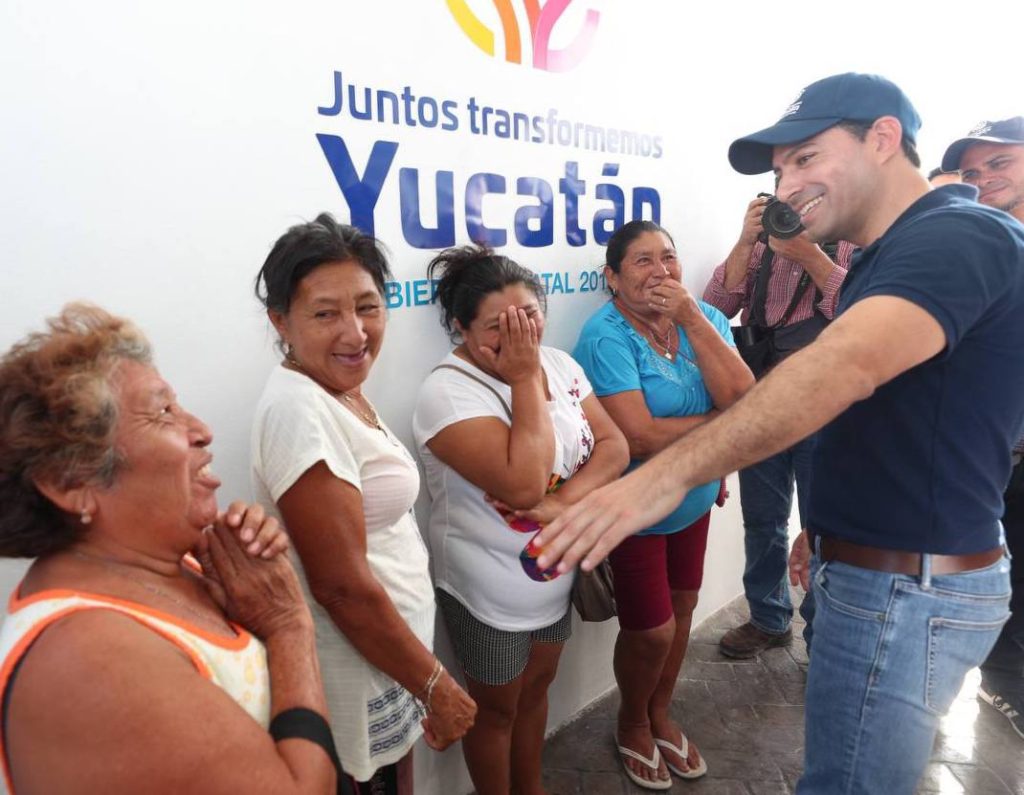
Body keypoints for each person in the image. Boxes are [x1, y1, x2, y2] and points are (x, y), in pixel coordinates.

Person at [532, 73, 1024, 794]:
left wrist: (653, 479)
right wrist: (822, 524)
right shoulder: (891, 251)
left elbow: (843, 367)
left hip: (906, 588)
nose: (787, 186)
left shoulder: (958, 233)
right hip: (875, 566)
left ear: (883, 139)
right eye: (780, 169)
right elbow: (889, 412)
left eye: (806, 158)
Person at [0, 303, 342, 795]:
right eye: (163, 412)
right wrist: (288, 626)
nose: (201, 429)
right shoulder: (90, 655)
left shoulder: (172, 560)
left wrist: (256, 592)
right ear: (70, 482)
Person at [250, 214, 476, 794]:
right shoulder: (299, 410)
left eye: (368, 306)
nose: (355, 333)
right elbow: (340, 586)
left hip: (389, 662)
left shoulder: (336, 387)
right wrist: (436, 686)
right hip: (356, 671)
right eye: (325, 313)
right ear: (281, 321)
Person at [412, 245, 628, 795]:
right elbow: (523, 483)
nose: (518, 337)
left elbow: (613, 445)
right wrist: (525, 376)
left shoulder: (562, 363)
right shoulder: (446, 392)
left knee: (538, 693)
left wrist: (561, 505)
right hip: (487, 587)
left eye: (529, 318)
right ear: (459, 328)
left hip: (553, 575)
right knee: (497, 710)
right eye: (497, 326)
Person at [572, 220, 753, 789]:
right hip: (636, 507)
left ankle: (659, 714)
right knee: (649, 630)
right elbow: (639, 437)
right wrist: (720, 430)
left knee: (682, 612)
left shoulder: (707, 318)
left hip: (694, 496)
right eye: (643, 261)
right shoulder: (605, 335)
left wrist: (693, 318)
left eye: (668, 257)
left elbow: (746, 401)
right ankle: (630, 723)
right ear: (614, 277)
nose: (662, 271)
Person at [703, 197, 854, 658]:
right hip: (763, 399)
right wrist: (747, 240)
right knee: (762, 519)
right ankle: (768, 618)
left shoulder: (850, 238)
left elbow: (858, 307)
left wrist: (809, 254)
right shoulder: (762, 242)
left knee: (822, 526)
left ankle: (822, 635)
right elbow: (715, 306)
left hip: (824, 404)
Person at [942, 115, 1024, 740]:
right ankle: (998, 690)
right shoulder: (969, 253)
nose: (983, 178)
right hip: (985, 461)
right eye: (972, 171)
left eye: (1000, 163)